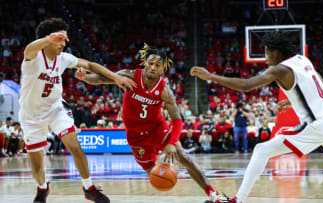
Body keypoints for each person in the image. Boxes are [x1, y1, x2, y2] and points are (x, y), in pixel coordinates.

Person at [191, 31, 323, 203]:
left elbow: (247, 85)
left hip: (316, 124)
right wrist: (293, 101)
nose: (265, 58)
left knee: (261, 150)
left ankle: (238, 200)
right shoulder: (303, 60)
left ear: (276, 52)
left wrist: (211, 76)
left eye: (267, 53)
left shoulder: (279, 69)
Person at [75, 43, 227, 202]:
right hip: (135, 136)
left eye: (158, 65)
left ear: (162, 69)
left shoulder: (164, 90)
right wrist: (85, 77)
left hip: (156, 128)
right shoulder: (130, 76)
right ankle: (162, 164)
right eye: (150, 63)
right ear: (144, 63)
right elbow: (100, 79)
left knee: (183, 156)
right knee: (154, 176)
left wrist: (172, 143)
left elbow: (177, 120)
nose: (153, 67)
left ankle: (212, 194)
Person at [20, 18, 135, 203]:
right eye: (61, 39)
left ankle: (88, 187)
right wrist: (50, 39)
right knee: (37, 164)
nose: (65, 43)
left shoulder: (64, 58)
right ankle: (43, 187)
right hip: (31, 116)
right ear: (48, 38)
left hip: (56, 108)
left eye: (65, 40)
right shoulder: (33, 57)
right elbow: (29, 49)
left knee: (75, 146)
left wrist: (115, 77)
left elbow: (90, 64)